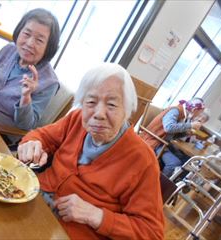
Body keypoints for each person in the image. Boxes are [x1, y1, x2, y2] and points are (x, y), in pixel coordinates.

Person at [17, 63, 164, 239]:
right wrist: (32, 143)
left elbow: (152, 233)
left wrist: (97, 216)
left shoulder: (142, 160)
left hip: (70, 232)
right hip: (32, 201)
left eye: (111, 104)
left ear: (127, 110)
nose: (99, 113)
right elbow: (42, 136)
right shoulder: (76, 119)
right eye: (91, 102)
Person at [0, 8, 60, 141]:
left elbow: (26, 125)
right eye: (27, 34)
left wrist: (26, 97)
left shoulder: (49, 82)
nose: (29, 43)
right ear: (19, 31)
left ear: (49, 47)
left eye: (39, 40)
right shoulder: (9, 49)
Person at [140, 97, 208, 177]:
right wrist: (190, 125)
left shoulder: (183, 115)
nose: (198, 116)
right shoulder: (175, 110)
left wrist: (186, 133)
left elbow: (171, 135)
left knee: (186, 160)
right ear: (194, 110)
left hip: (163, 141)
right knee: (174, 163)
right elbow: (168, 128)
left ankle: (171, 183)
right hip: (155, 140)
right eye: (199, 113)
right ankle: (156, 184)